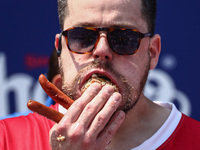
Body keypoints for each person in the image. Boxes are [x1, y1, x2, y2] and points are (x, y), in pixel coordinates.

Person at [1, 0, 200, 150]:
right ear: (60, 50)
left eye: (123, 37)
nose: (101, 50)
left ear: (153, 53)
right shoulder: (6, 138)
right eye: (82, 36)